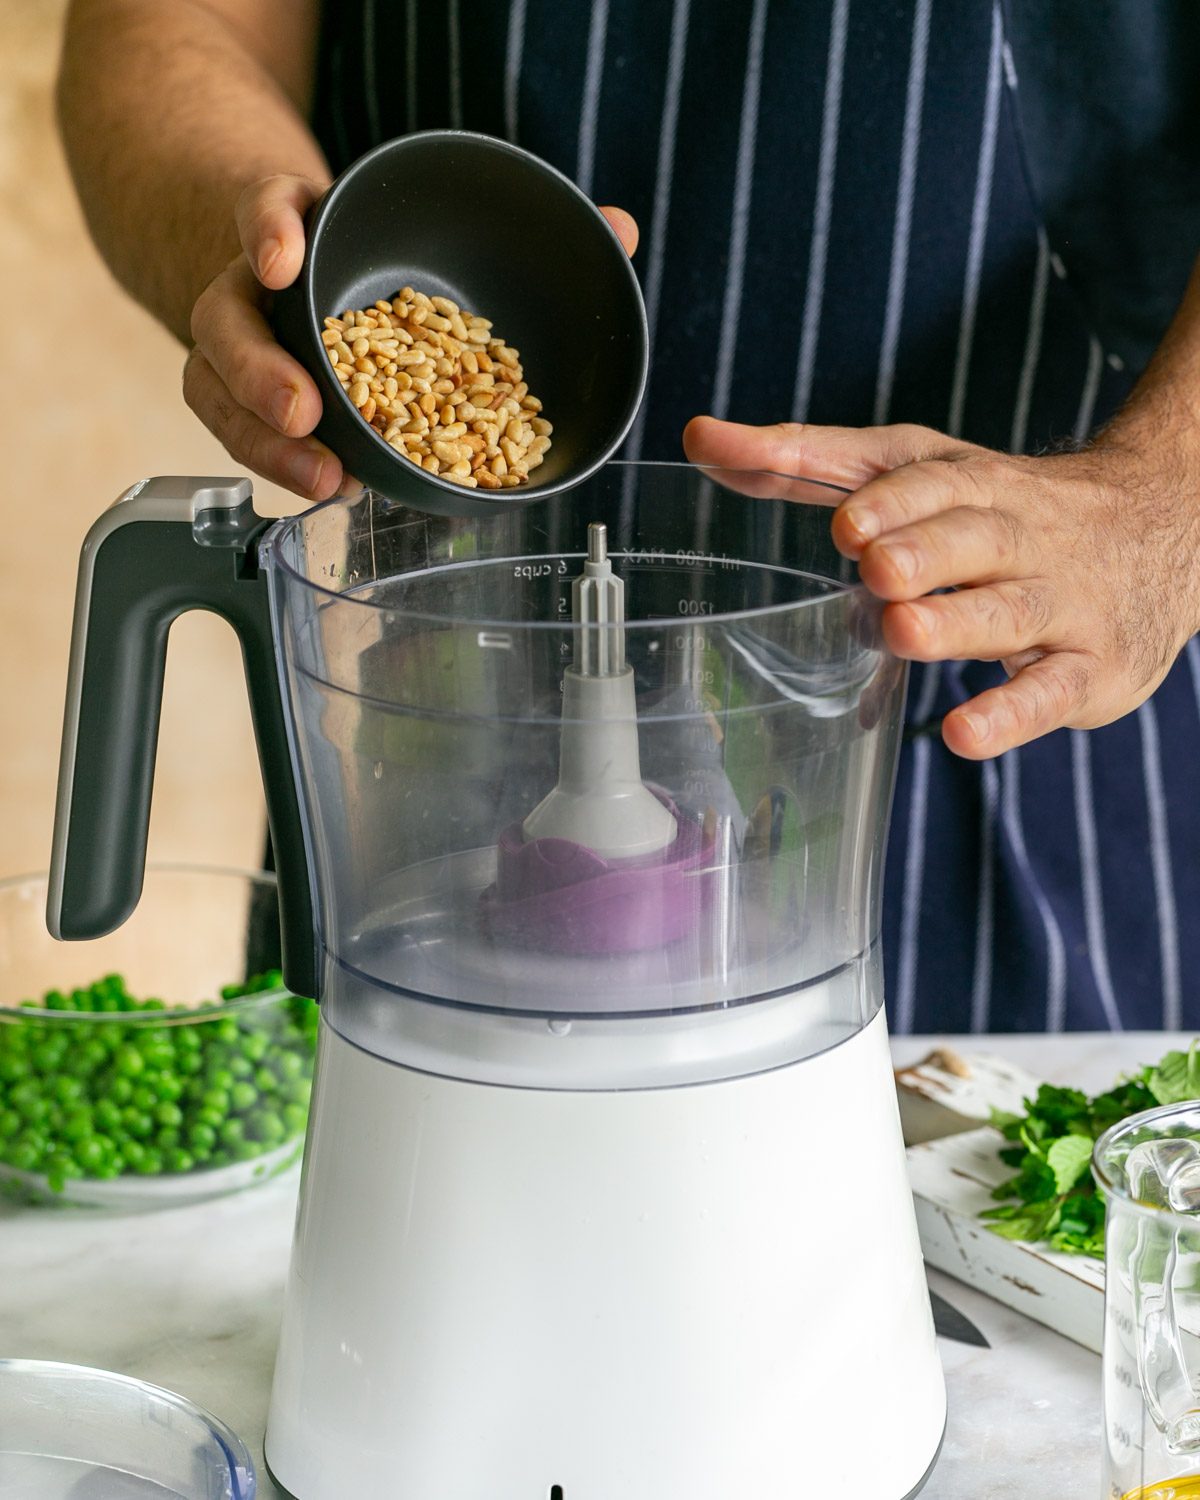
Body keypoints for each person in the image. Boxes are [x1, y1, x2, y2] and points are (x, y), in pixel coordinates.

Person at [57, 0, 1200, 1034]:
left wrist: (1163, 500)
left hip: (1003, 691)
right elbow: (170, 27)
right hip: (424, 743)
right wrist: (270, 254)